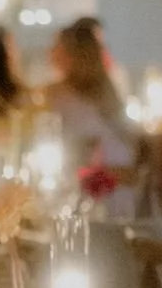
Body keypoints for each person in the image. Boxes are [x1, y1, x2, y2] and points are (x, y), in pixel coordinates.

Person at [45, 21, 138, 178]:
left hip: (99, 179)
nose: (50, 52)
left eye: (57, 46)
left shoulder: (63, 97)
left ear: (74, 55)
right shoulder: (102, 93)